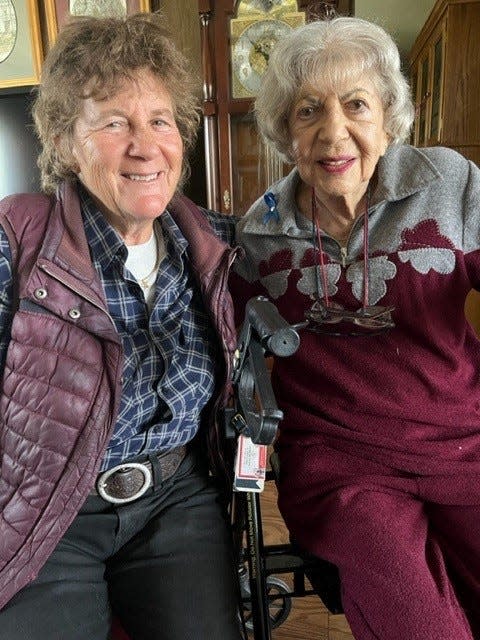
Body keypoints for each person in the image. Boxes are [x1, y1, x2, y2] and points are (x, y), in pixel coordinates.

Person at [231, 15, 480, 640]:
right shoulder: (259, 236)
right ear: (286, 134)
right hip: (341, 466)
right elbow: (228, 342)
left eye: (356, 105)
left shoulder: (449, 185)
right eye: (309, 110)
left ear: (389, 119)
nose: (333, 132)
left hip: (464, 442)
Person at [0, 13, 243, 640]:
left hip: (175, 498)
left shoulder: (212, 242)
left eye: (159, 120)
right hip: (48, 507)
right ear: (64, 140)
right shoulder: (17, 240)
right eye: (114, 123)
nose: (145, 145)